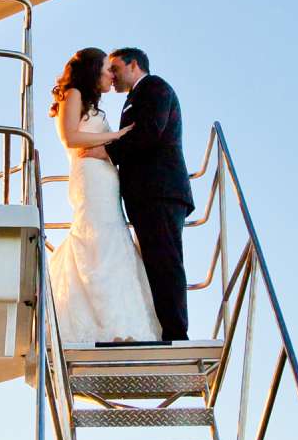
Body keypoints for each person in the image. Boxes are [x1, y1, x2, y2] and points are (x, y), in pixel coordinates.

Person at [45, 48, 162, 346]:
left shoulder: (94, 106)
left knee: (114, 242)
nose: (111, 75)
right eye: (106, 69)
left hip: (108, 180)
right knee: (97, 240)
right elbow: (71, 137)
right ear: (93, 70)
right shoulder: (72, 95)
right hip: (90, 179)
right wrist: (115, 136)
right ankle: (96, 323)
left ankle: (122, 325)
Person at [104, 47, 192, 342]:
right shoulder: (133, 97)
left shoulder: (154, 87)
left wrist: (105, 151)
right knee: (155, 261)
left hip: (160, 190)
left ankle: (177, 334)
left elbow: (149, 132)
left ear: (133, 65)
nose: (111, 76)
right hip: (147, 194)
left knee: (165, 261)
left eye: (115, 68)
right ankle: (165, 327)